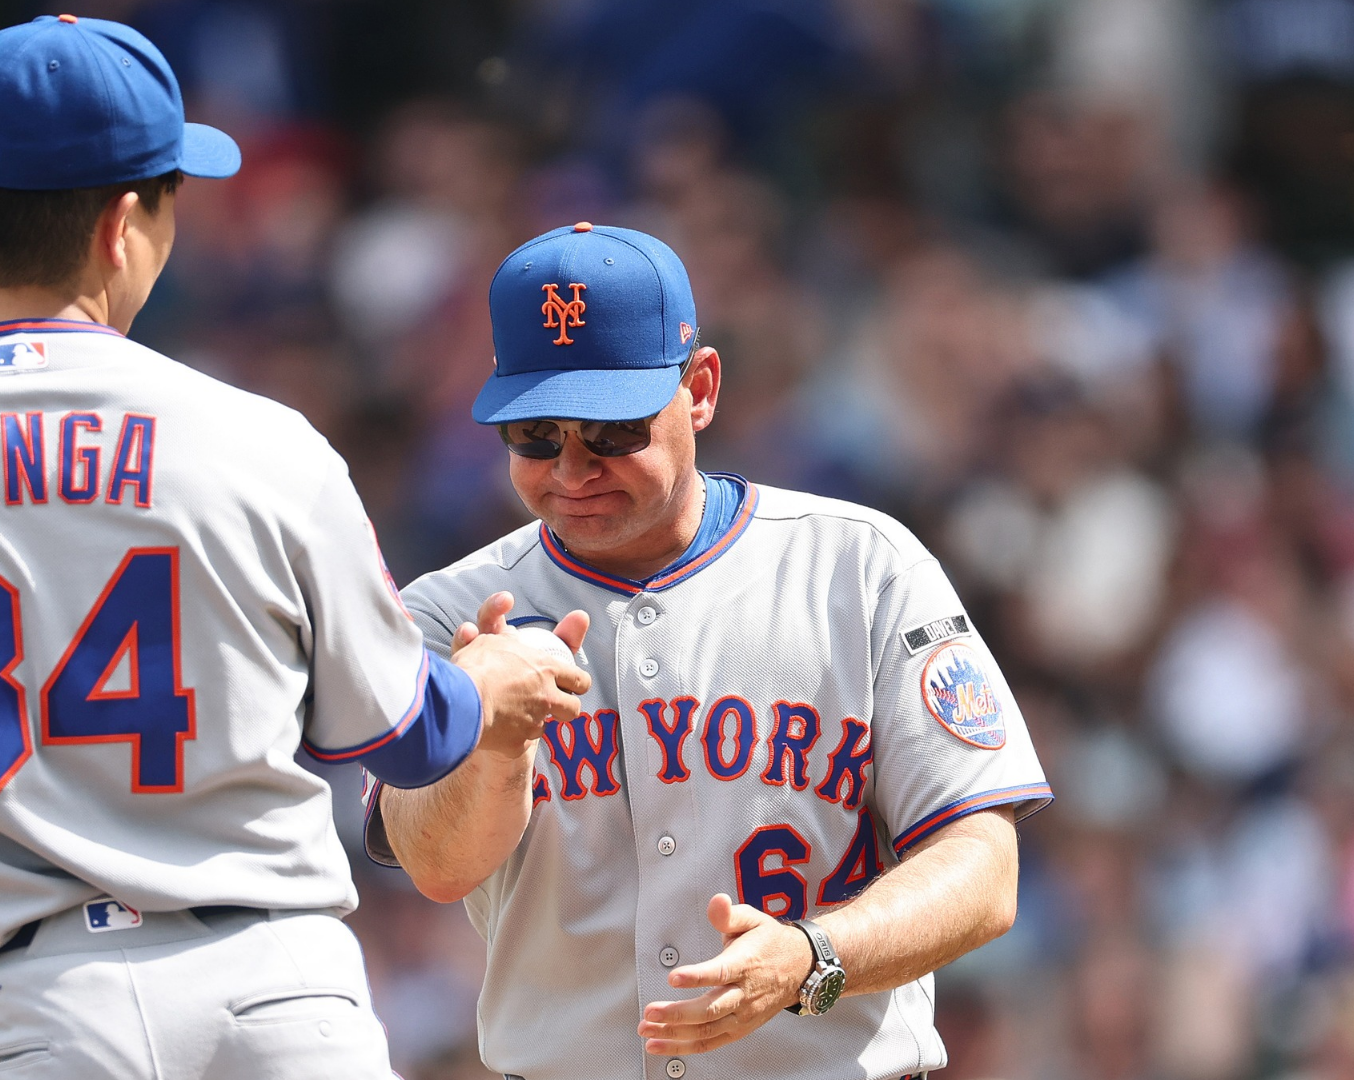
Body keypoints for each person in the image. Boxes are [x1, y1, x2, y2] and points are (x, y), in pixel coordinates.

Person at [0, 16, 586, 1080]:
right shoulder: (259, 440)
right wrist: (486, 680)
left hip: (30, 1013)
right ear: (122, 222)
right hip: (275, 995)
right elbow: (410, 740)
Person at [367, 222, 1052, 1080]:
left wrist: (813, 958)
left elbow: (985, 871)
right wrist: (498, 742)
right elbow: (433, 864)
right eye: (536, 436)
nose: (573, 470)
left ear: (699, 389)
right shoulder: (452, 614)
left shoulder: (860, 567)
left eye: (611, 431)